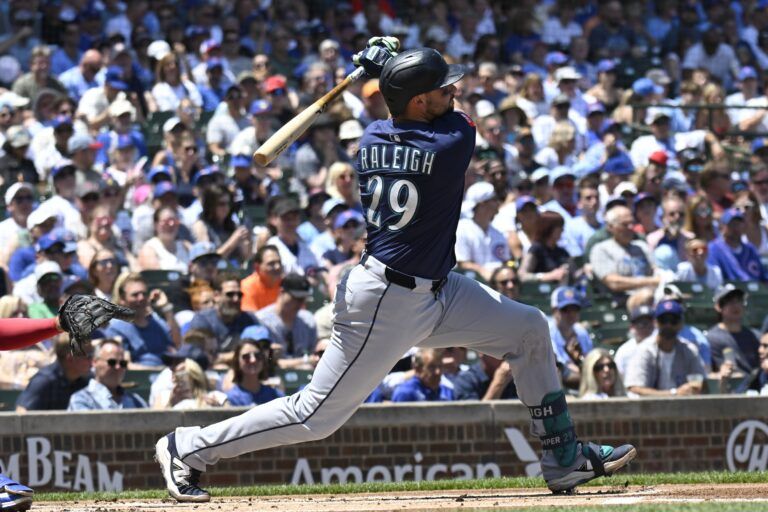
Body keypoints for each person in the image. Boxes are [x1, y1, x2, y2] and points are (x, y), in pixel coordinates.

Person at [155, 42, 635, 503]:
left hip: (435, 290)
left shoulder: (372, 139)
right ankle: (189, 446)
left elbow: (402, 112)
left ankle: (562, 457)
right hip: (387, 300)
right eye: (444, 90)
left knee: (529, 328)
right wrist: (387, 70)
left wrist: (383, 73)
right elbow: (455, 119)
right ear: (421, 100)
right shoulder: (452, 141)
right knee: (314, 416)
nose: (455, 94)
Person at [624, 300, 708, 397]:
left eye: (673, 320)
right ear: (656, 323)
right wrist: (674, 393)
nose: (668, 325)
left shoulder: (689, 349)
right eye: (663, 320)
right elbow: (635, 388)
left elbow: (703, 384)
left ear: (681, 323)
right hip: (649, 409)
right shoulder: (644, 350)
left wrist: (692, 388)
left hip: (683, 408)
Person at [68, 338, 148, 410]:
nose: (118, 367)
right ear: (94, 362)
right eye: (112, 362)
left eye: (122, 363)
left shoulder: (136, 401)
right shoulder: (81, 400)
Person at [256, 273, 317, 363]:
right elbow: (264, 361)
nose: (299, 302)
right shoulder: (262, 320)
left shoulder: (308, 320)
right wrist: (305, 361)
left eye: (303, 298)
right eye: (295, 298)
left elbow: (313, 356)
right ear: (282, 292)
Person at [455, 181, 509, 282]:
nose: (498, 202)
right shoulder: (462, 228)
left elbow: (505, 261)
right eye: (494, 199)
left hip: (500, 283)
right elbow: (463, 263)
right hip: (474, 285)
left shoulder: (498, 232)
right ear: (482, 204)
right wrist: (485, 273)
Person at [706, 284, 760, 375]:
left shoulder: (754, 335)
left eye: (739, 301)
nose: (736, 306)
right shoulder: (711, 338)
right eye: (730, 302)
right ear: (719, 307)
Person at [547, 287, 593, 389]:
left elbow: (590, 360)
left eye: (575, 309)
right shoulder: (547, 331)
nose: (571, 314)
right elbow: (563, 370)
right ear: (555, 311)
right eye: (565, 310)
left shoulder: (581, 332)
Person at [707, 208, 768, 282]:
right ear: (722, 226)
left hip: (755, 291)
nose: (736, 228)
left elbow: (763, 277)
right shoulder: (714, 249)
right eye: (732, 224)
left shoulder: (750, 249)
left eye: (739, 224)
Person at [226, 337, 284, 407]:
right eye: (246, 357)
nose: (253, 360)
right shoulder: (232, 399)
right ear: (237, 361)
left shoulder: (275, 395)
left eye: (258, 356)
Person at [241, 245, 284, 312]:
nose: (277, 267)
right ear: (257, 268)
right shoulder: (247, 286)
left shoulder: (286, 284)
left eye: (279, 262)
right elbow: (252, 318)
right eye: (271, 264)